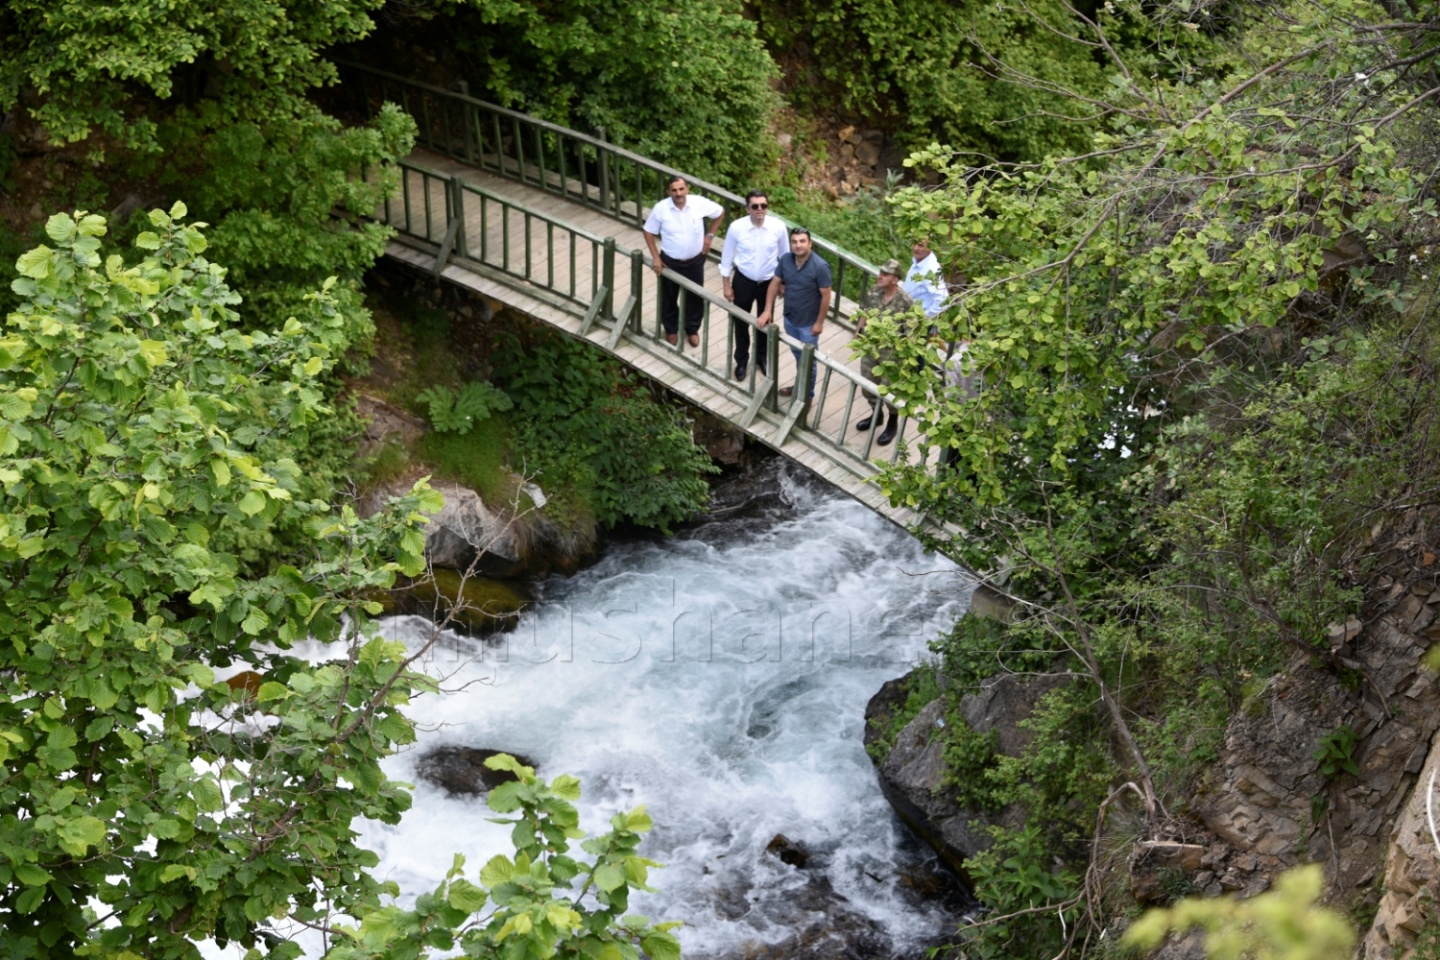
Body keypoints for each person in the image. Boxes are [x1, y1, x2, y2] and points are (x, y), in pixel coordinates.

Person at [643, 175, 725, 347]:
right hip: (670, 262)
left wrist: (709, 236)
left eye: (681, 189)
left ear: (687, 189)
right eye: (674, 190)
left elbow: (720, 212)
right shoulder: (661, 208)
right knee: (668, 297)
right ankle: (671, 329)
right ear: (668, 192)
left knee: (695, 296)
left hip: (695, 260)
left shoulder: (698, 203)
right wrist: (656, 257)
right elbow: (648, 231)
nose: (678, 193)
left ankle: (692, 329)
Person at [719, 190, 788, 381]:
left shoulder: (778, 227)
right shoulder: (736, 228)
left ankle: (762, 357)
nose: (760, 209)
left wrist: (783, 282)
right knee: (740, 322)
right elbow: (726, 257)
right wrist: (726, 284)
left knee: (765, 321)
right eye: (755, 206)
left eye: (763, 205)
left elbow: (785, 257)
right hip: (743, 280)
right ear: (747, 208)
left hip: (768, 283)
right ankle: (741, 360)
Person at [758, 228, 832, 402]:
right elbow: (774, 283)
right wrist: (767, 310)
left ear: (810, 243)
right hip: (790, 318)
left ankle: (807, 396)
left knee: (808, 361)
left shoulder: (820, 267)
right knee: (798, 356)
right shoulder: (786, 259)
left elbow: (826, 296)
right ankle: (799, 387)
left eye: (802, 241)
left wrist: (819, 323)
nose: (798, 245)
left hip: (808, 324)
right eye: (794, 241)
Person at [853, 259, 915, 446]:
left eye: (885, 274)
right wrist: (857, 334)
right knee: (867, 385)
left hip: (892, 355)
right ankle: (876, 414)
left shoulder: (905, 300)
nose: (880, 276)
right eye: (880, 272)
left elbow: (911, 332)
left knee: (891, 391)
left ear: (895, 279)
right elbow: (864, 313)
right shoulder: (874, 292)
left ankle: (892, 422)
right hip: (871, 348)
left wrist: (906, 358)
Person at [904, 237, 948, 320]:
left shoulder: (931, 269)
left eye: (920, 245)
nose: (915, 248)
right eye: (914, 243)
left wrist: (923, 318)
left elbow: (943, 301)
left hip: (918, 321)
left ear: (930, 247)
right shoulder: (918, 261)